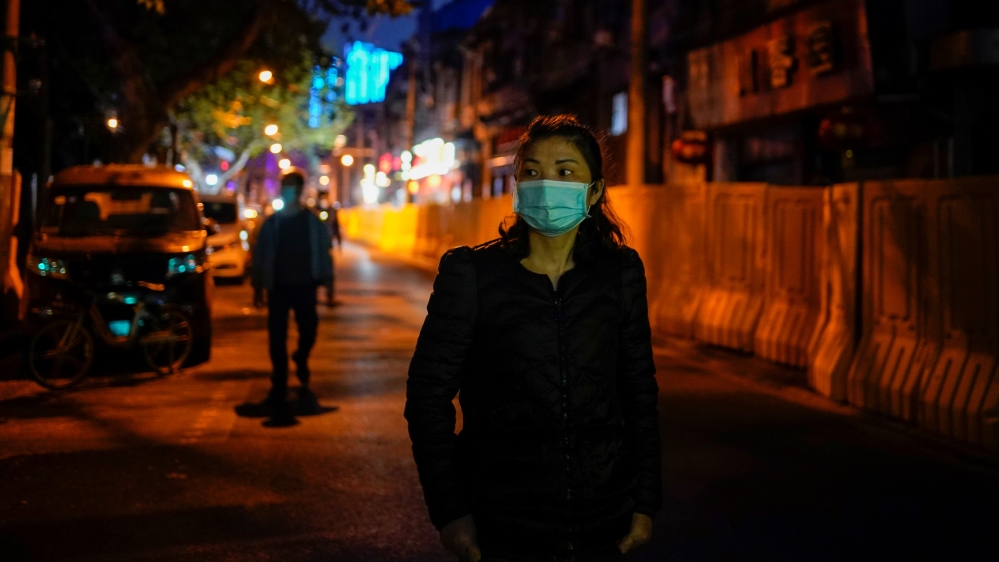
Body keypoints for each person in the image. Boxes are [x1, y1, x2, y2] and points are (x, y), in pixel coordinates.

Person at [405, 115, 661, 562]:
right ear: (517, 185)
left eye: (565, 172)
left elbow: (638, 390)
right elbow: (427, 398)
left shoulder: (620, 274)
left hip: (604, 519)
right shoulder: (471, 275)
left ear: (595, 191)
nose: (546, 184)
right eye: (532, 171)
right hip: (502, 525)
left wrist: (645, 502)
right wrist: (450, 511)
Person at [251, 168, 333, 416]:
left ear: (298, 190)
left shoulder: (312, 222)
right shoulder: (272, 224)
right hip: (279, 288)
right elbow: (260, 256)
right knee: (277, 337)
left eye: (292, 186)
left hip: (306, 286)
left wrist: (328, 284)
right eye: (285, 185)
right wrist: (258, 287)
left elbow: (324, 253)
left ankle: (301, 356)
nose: (288, 191)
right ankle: (279, 384)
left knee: (309, 330)